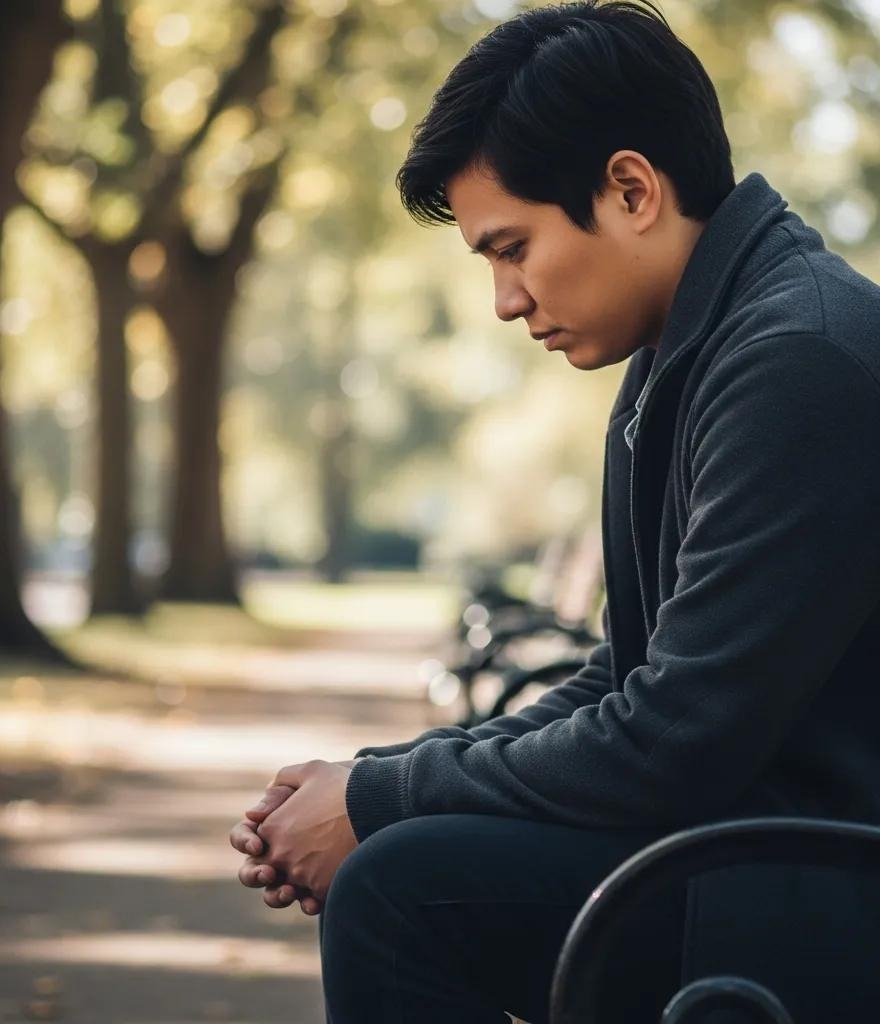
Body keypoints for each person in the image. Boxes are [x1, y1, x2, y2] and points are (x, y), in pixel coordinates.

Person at [228, 2, 880, 1020]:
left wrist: (375, 805)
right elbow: (625, 676)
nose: (503, 298)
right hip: (739, 853)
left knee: (399, 895)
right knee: (401, 860)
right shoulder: (688, 349)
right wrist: (370, 779)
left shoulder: (799, 358)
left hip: (817, 882)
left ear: (630, 190)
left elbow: (670, 739)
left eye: (512, 247)